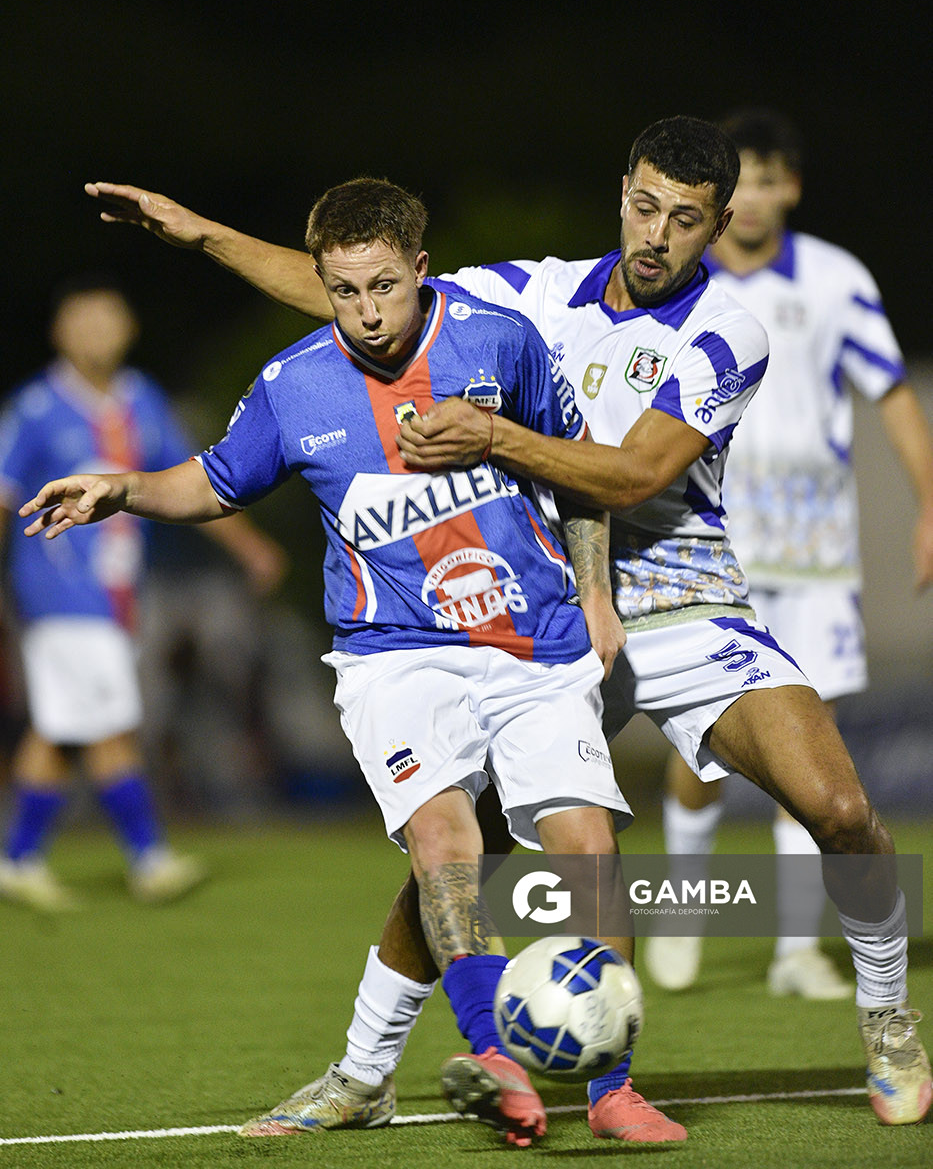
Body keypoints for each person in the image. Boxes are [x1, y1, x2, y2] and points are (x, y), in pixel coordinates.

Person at [81, 119, 932, 1131]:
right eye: (645, 205)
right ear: (622, 192)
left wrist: (490, 431)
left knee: (838, 804)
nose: (657, 233)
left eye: (686, 219)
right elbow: (362, 293)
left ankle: (887, 1016)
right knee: (459, 850)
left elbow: (632, 475)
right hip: (547, 604)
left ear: (719, 224)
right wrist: (199, 233)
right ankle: (362, 1070)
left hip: (681, 597)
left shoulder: (729, 331)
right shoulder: (534, 290)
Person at [21, 178, 673, 1150]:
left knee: (590, 853)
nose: (366, 312)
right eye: (341, 290)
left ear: (419, 267)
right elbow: (212, 480)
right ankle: (493, 1056)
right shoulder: (296, 383)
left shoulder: (498, 341)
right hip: (393, 652)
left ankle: (611, 1084)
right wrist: (124, 487)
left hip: (534, 638)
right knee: (446, 843)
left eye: (381, 286)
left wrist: (596, 590)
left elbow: (575, 468)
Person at [642, 110, 933, 1000]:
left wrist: (927, 506)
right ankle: (686, 913)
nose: (759, 197)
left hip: (813, 555)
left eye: (772, 180)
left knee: (810, 755)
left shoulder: (837, 278)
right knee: (704, 745)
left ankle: (792, 948)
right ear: (723, 201)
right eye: (745, 184)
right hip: (710, 550)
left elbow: (888, 392)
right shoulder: (675, 284)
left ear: (790, 189)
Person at [0, 277, 286, 909]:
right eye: (83, 320)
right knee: (110, 723)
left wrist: (251, 547)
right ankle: (148, 857)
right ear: (59, 332)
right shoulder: (36, 407)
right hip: (58, 589)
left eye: (108, 318)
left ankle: (18, 859)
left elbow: (197, 481)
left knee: (63, 728)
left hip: (121, 593)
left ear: (128, 328)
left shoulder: (141, 400)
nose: (97, 331)